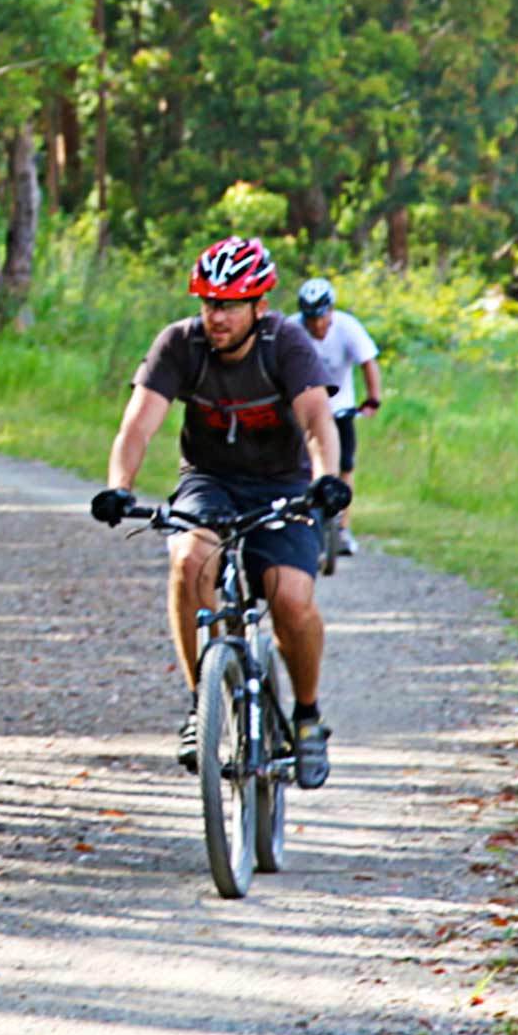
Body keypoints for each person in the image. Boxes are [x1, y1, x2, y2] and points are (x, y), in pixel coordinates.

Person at [89, 237, 351, 789]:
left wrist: (326, 479)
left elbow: (316, 420)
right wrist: (119, 487)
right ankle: (201, 704)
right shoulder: (179, 345)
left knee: (290, 598)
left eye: (231, 305)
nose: (217, 316)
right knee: (189, 561)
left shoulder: (286, 344)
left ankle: (306, 717)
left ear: (260, 306)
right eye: (209, 302)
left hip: (282, 485)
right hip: (209, 481)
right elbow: (137, 425)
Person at [292, 277, 382, 553]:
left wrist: (373, 398)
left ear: (331, 311)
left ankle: (342, 527)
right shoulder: (292, 330)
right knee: (300, 464)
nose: (317, 325)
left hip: (340, 406)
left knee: (345, 466)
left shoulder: (347, 327)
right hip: (304, 407)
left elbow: (368, 362)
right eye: (311, 320)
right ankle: (304, 520)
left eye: (321, 318)